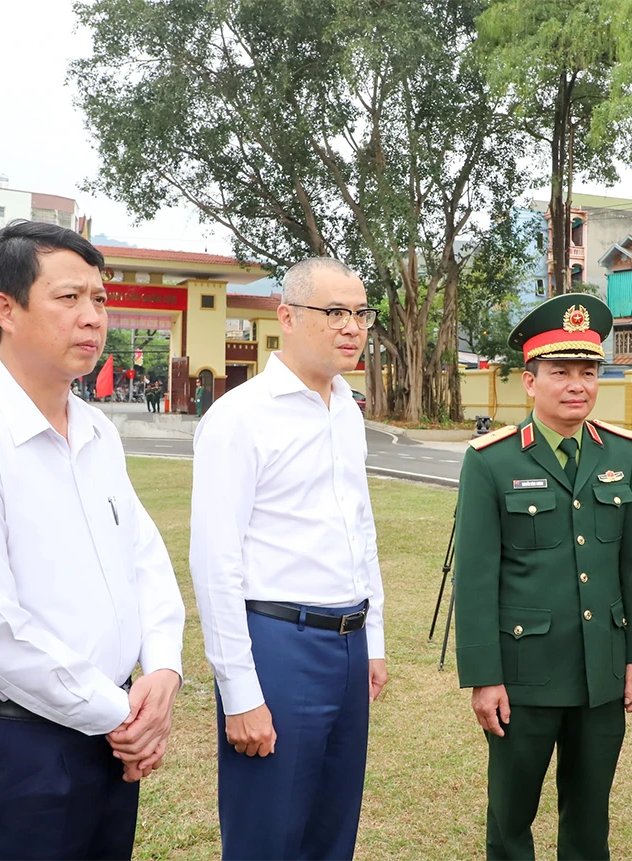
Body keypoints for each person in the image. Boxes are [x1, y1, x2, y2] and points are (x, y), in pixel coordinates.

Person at [0, 220, 186, 860]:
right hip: (9, 756)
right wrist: (121, 714)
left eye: (99, 298)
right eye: (68, 298)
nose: (93, 317)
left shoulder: (98, 432)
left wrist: (163, 668)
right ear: (6, 309)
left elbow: (144, 559)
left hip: (106, 746)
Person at [190, 256, 387, 861]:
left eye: (361, 313)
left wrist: (373, 640)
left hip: (348, 642)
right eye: (335, 312)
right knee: (267, 833)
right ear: (288, 317)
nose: (351, 327)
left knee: (332, 831)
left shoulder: (345, 408)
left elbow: (360, 527)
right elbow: (215, 561)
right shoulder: (240, 416)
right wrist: (240, 691)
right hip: (279, 643)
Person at [453, 294, 632, 860]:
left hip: (602, 670)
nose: (577, 385)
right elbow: (475, 579)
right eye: (561, 372)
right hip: (525, 674)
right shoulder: (492, 460)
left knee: (590, 818)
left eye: (588, 372)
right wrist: (484, 678)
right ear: (530, 381)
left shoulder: (619, 453)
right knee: (511, 816)